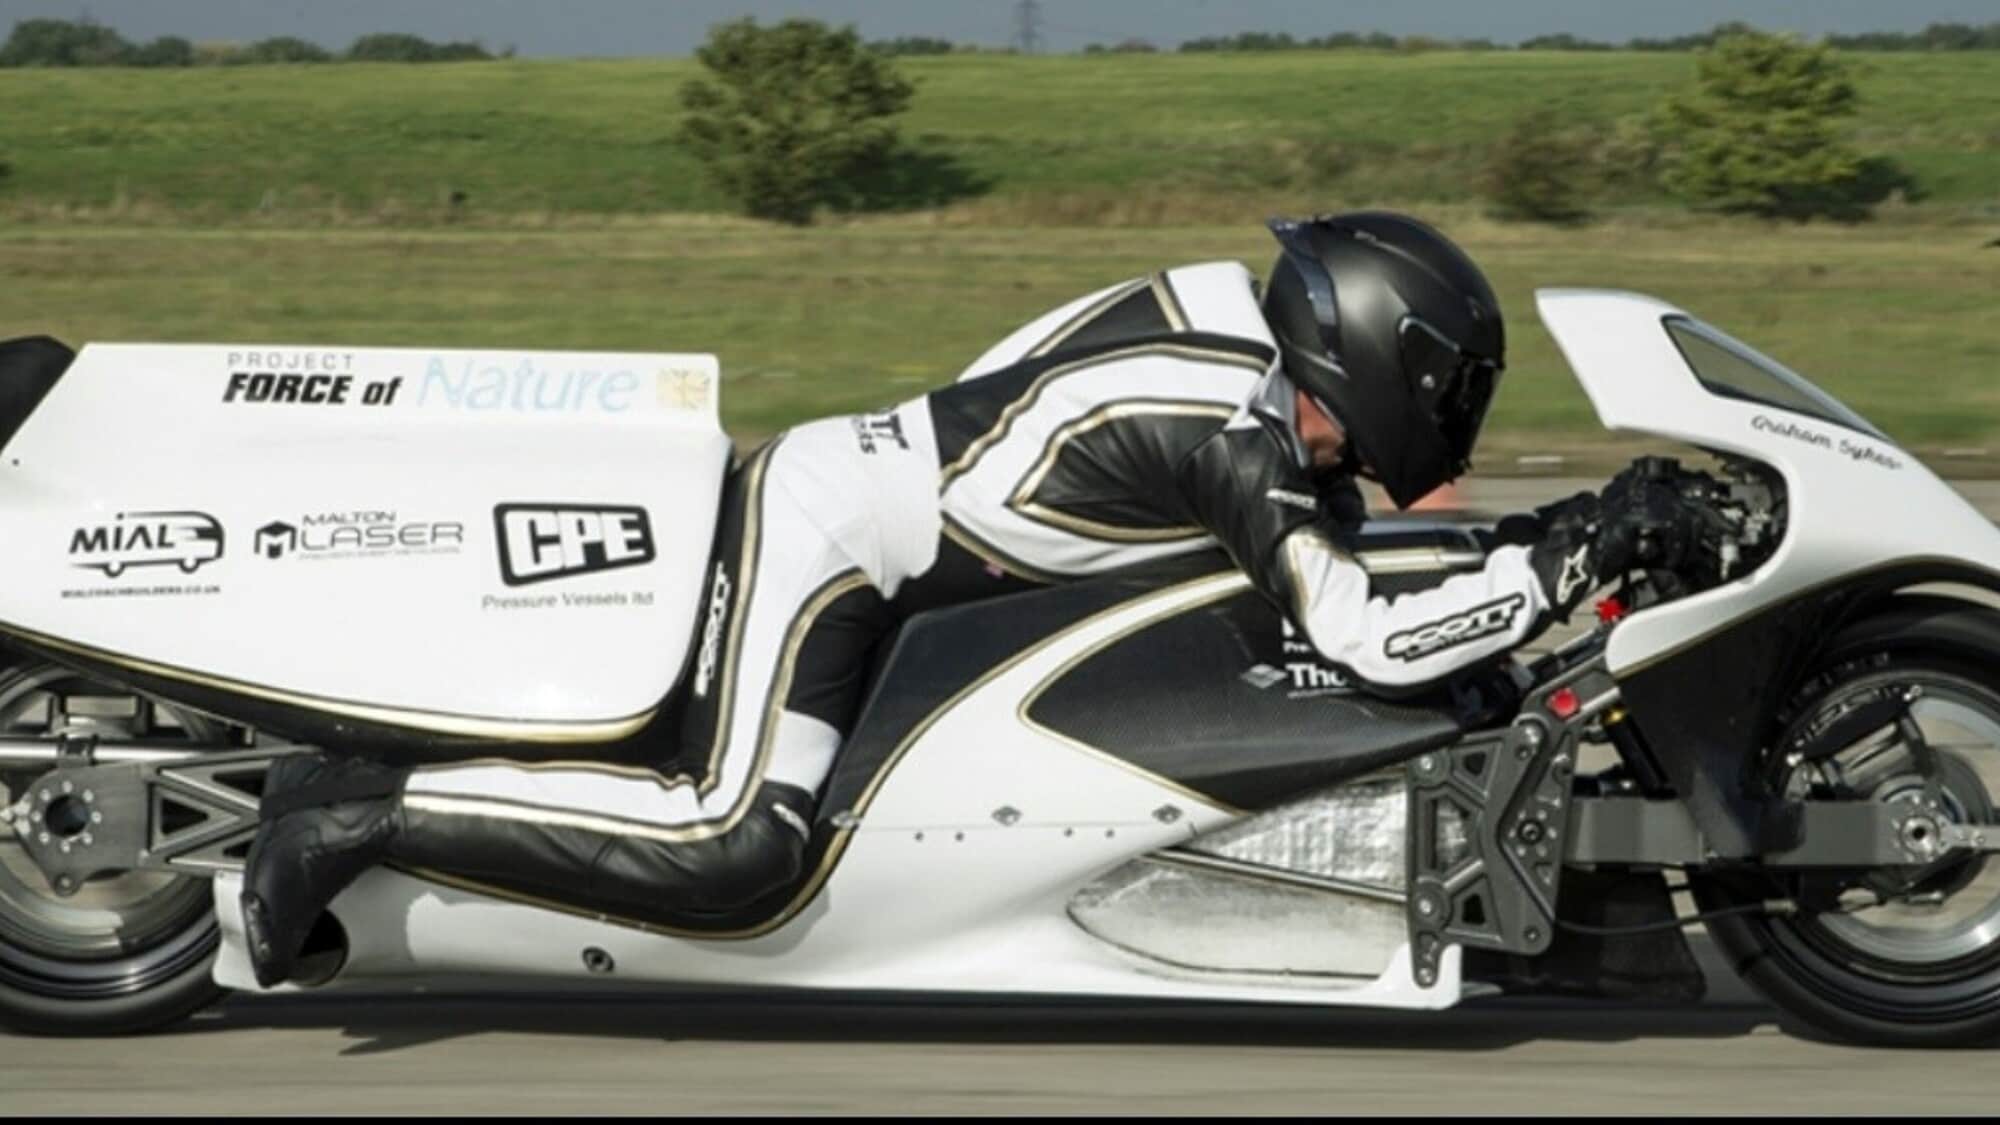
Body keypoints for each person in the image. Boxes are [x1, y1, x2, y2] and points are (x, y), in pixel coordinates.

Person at [241, 211, 1665, 987]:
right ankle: (360, 803)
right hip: (832, 546)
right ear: (1372, 362)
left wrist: (1562, 535)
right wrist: (1568, 552)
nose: (1429, 430)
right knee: (741, 848)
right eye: (1432, 398)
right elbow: (1353, 621)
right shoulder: (1235, 437)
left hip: (888, 523)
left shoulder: (1232, 332)